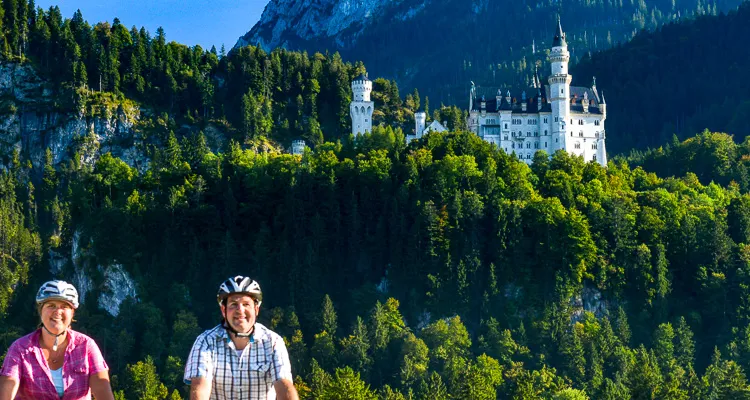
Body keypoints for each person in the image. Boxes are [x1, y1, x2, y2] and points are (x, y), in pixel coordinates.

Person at [184, 276, 298, 400]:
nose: (240, 310)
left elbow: (284, 385)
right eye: (233, 304)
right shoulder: (205, 341)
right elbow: (200, 388)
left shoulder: (273, 342)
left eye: (246, 304)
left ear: (256, 309)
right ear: (224, 310)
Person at [0, 280, 115, 400]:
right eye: (51, 306)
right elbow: (8, 386)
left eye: (64, 306)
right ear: (41, 310)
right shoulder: (20, 348)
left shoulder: (86, 346)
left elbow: (102, 389)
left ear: (72, 313)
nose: (58, 312)